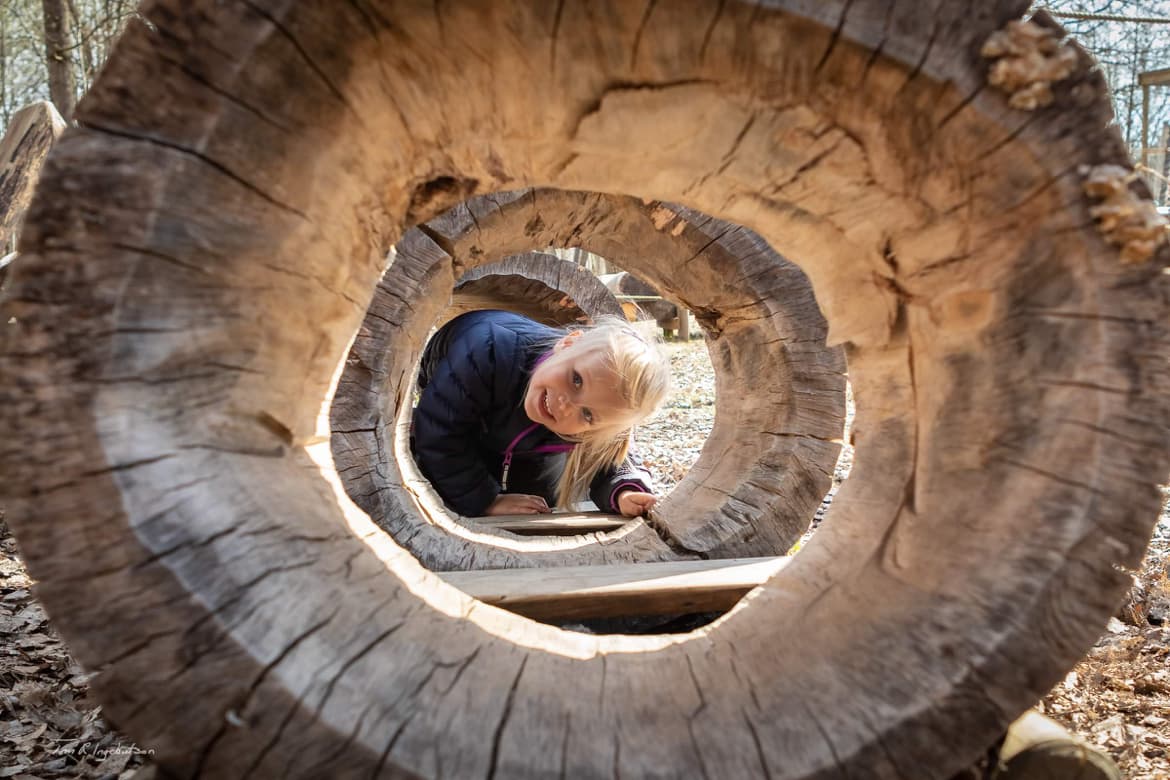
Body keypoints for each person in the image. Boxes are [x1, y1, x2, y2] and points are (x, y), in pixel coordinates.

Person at [411, 309, 671, 518]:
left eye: (588, 415)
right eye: (576, 380)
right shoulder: (486, 351)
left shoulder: (597, 406)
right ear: (569, 343)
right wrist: (484, 500)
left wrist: (625, 492)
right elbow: (438, 430)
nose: (566, 404)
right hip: (456, 379)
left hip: (518, 415)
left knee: (540, 494)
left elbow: (612, 452)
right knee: (454, 464)